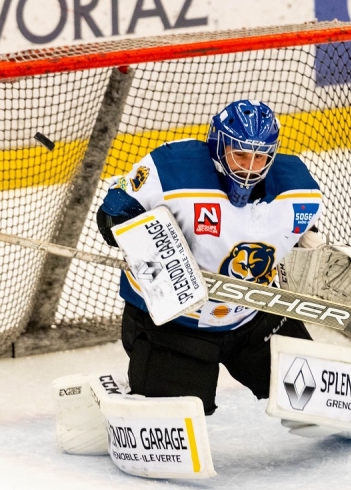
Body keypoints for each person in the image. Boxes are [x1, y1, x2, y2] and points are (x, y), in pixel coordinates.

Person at [96, 99, 323, 415]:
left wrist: (321, 257)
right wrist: (149, 243)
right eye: (240, 154)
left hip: (254, 317)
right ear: (218, 146)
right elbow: (111, 214)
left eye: (260, 157)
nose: (248, 167)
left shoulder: (299, 189)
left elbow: (304, 237)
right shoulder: (172, 168)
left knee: (318, 400)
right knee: (175, 421)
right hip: (173, 325)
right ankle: (121, 392)